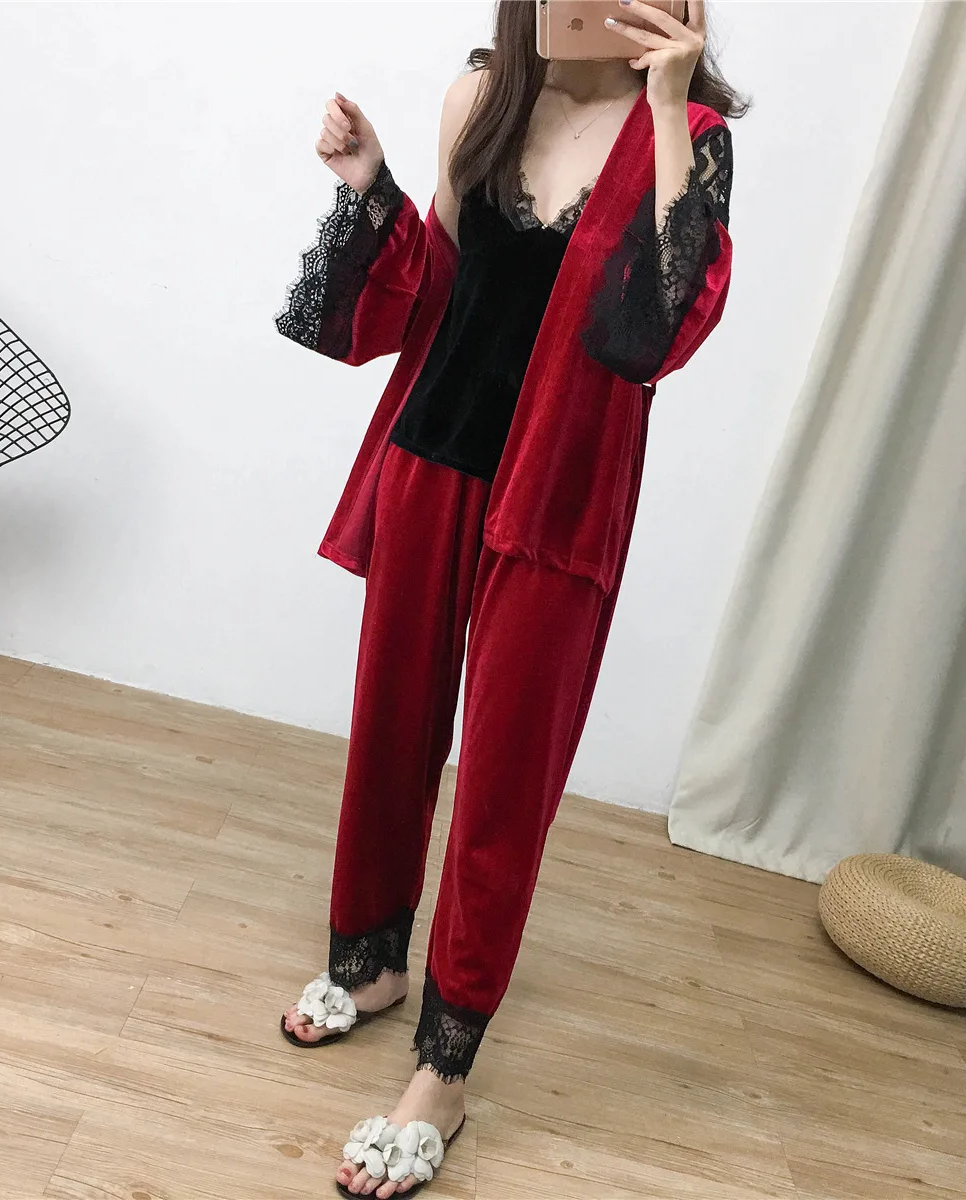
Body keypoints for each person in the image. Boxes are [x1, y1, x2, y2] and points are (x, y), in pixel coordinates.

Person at [274, 1, 744, 1194]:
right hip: (433, 456)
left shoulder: (688, 137)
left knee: (502, 780)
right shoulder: (478, 100)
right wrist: (371, 186)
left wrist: (667, 109)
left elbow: (652, 332)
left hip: (558, 500)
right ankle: (373, 961)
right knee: (391, 726)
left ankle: (444, 1068)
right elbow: (438, 289)